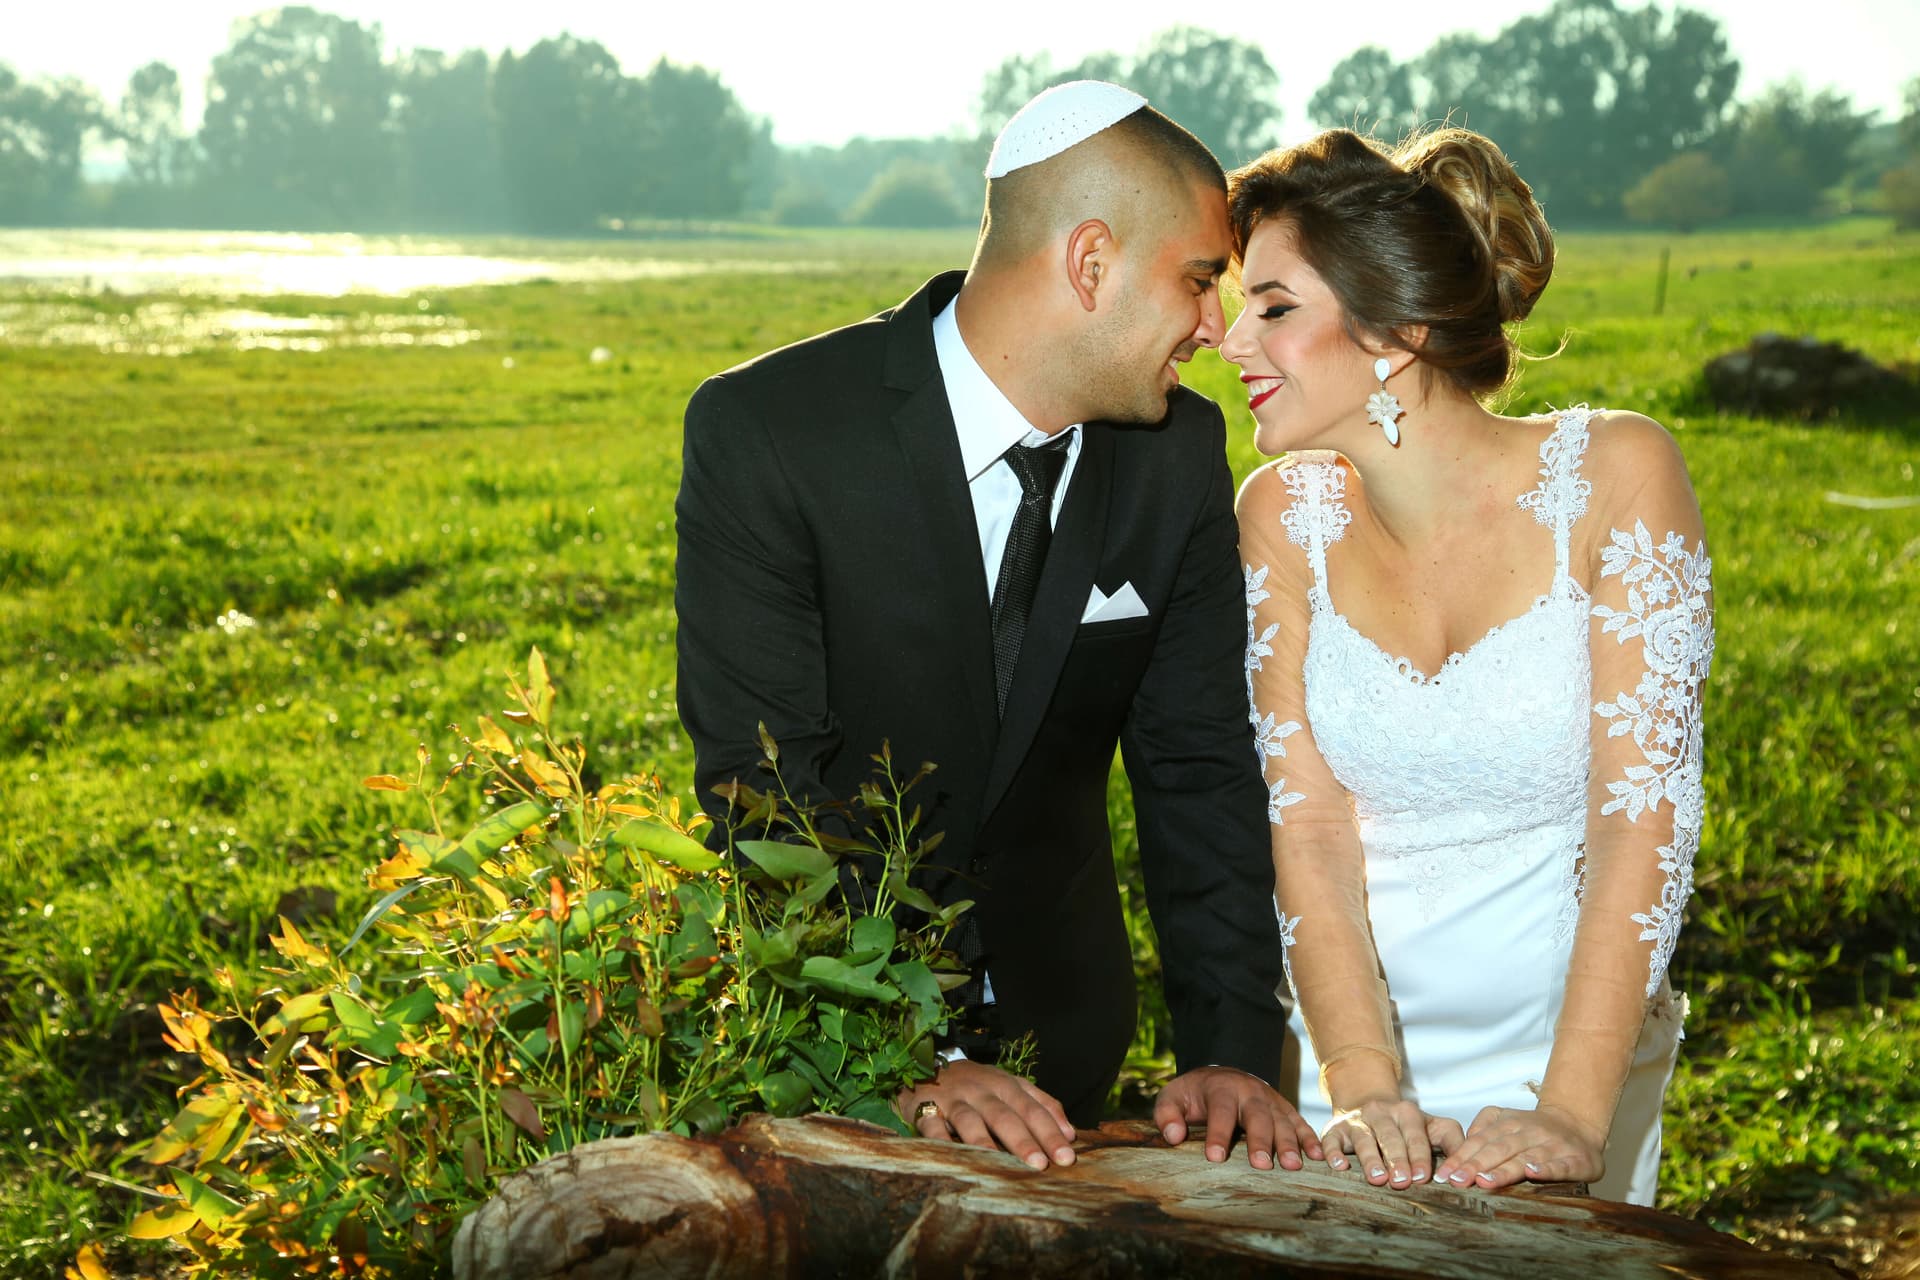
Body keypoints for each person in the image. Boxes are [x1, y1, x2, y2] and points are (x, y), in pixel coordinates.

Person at [675, 83, 1318, 1174]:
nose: (1219, 327)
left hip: (1067, 1060)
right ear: (1091, 261)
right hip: (829, 1065)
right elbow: (764, 783)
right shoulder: (772, 434)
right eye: (1201, 280)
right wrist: (902, 1045)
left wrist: (1232, 1049)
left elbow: (1199, 767)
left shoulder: (1174, 458)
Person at [1225, 127, 1713, 1205]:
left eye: (1271, 306)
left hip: (1568, 1051)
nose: (1230, 342)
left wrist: (1573, 1114)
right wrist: (1360, 1082)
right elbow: (1305, 825)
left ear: (1393, 329)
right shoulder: (1280, 518)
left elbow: (1642, 811)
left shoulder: (1617, 476)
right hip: (1352, 1064)